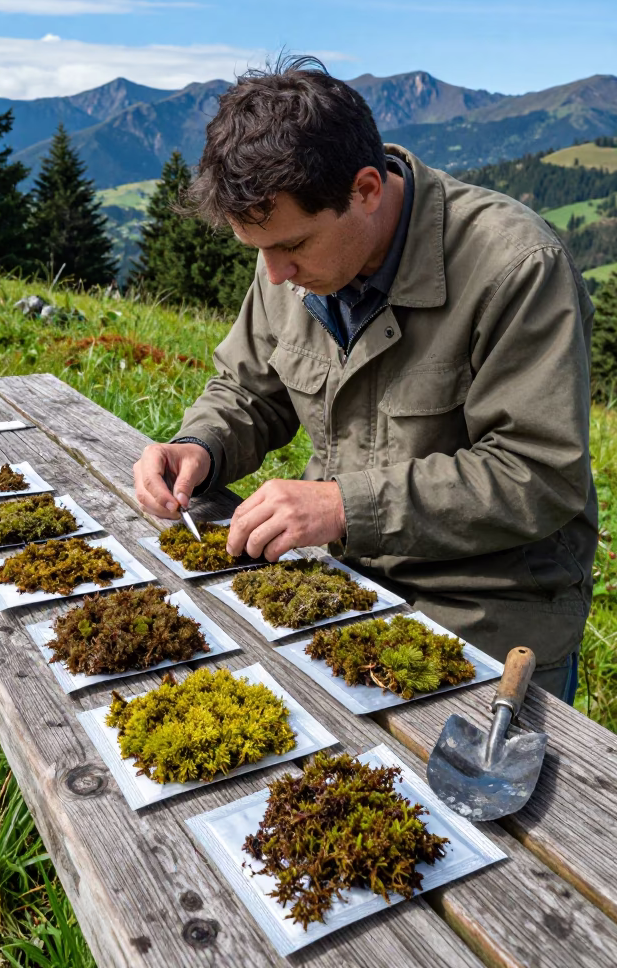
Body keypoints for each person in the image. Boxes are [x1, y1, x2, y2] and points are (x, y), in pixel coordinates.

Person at [133, 56, 597, 702]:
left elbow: (539, 476)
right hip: (344, 591)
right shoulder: (293, 261)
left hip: (490, 624)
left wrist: (344, 506)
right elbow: (247, 391)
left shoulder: (517, 268)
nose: (272, 275)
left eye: (291, 247)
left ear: (367, 191)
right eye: (258, 251)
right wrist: (199, 447)